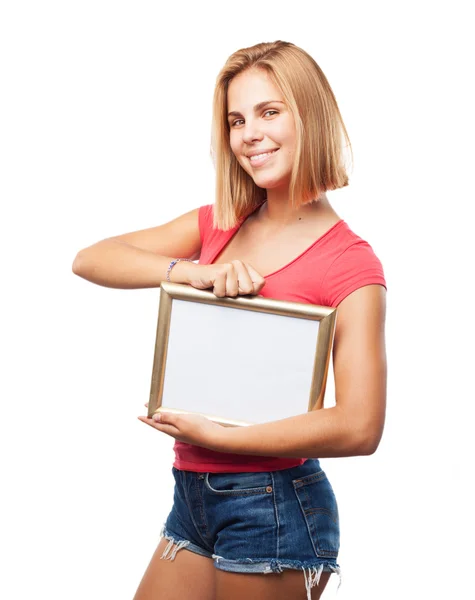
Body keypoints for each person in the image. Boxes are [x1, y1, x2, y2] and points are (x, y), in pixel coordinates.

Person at [72, 40, 387, 600]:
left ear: (309, 115)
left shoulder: (350, 263)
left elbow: (361, 426)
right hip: (192, 495)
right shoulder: (220, 223)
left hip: (272, 502)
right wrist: (186, 272)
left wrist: (222, 436)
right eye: (237, 120)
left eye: (270, 112)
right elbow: (91, 258)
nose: (249, 135)